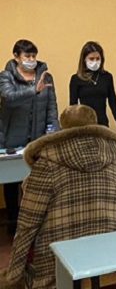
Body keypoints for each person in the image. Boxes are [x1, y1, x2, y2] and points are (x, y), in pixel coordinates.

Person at [3, 105, 116, 289]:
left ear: (62, 127)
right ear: (95, 124)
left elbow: (28, 224)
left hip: (59, 268)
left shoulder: (46, 165)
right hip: (114, 258)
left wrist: (13, 275)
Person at [0, 39, 58, 235]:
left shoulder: (45, 76)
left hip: (38, 138)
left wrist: (53, 132)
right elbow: (8, 98)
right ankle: (13, 223)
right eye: (27, 56)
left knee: (37, 180)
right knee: (12, 182)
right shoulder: (6, 76)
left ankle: (34, 223)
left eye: (34, 56)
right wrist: (33, 90)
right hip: (12, 137)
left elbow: (51, 107)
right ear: (16, 57)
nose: (31, 60)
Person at [69, 41, 116, 133]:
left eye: (98, 59)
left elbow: (113, 102)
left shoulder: (107, 77)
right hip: (84, 126)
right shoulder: (76, 79)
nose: (95, 62)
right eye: (91, 59)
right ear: (84, 59)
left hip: (103, 124)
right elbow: (73, 107)